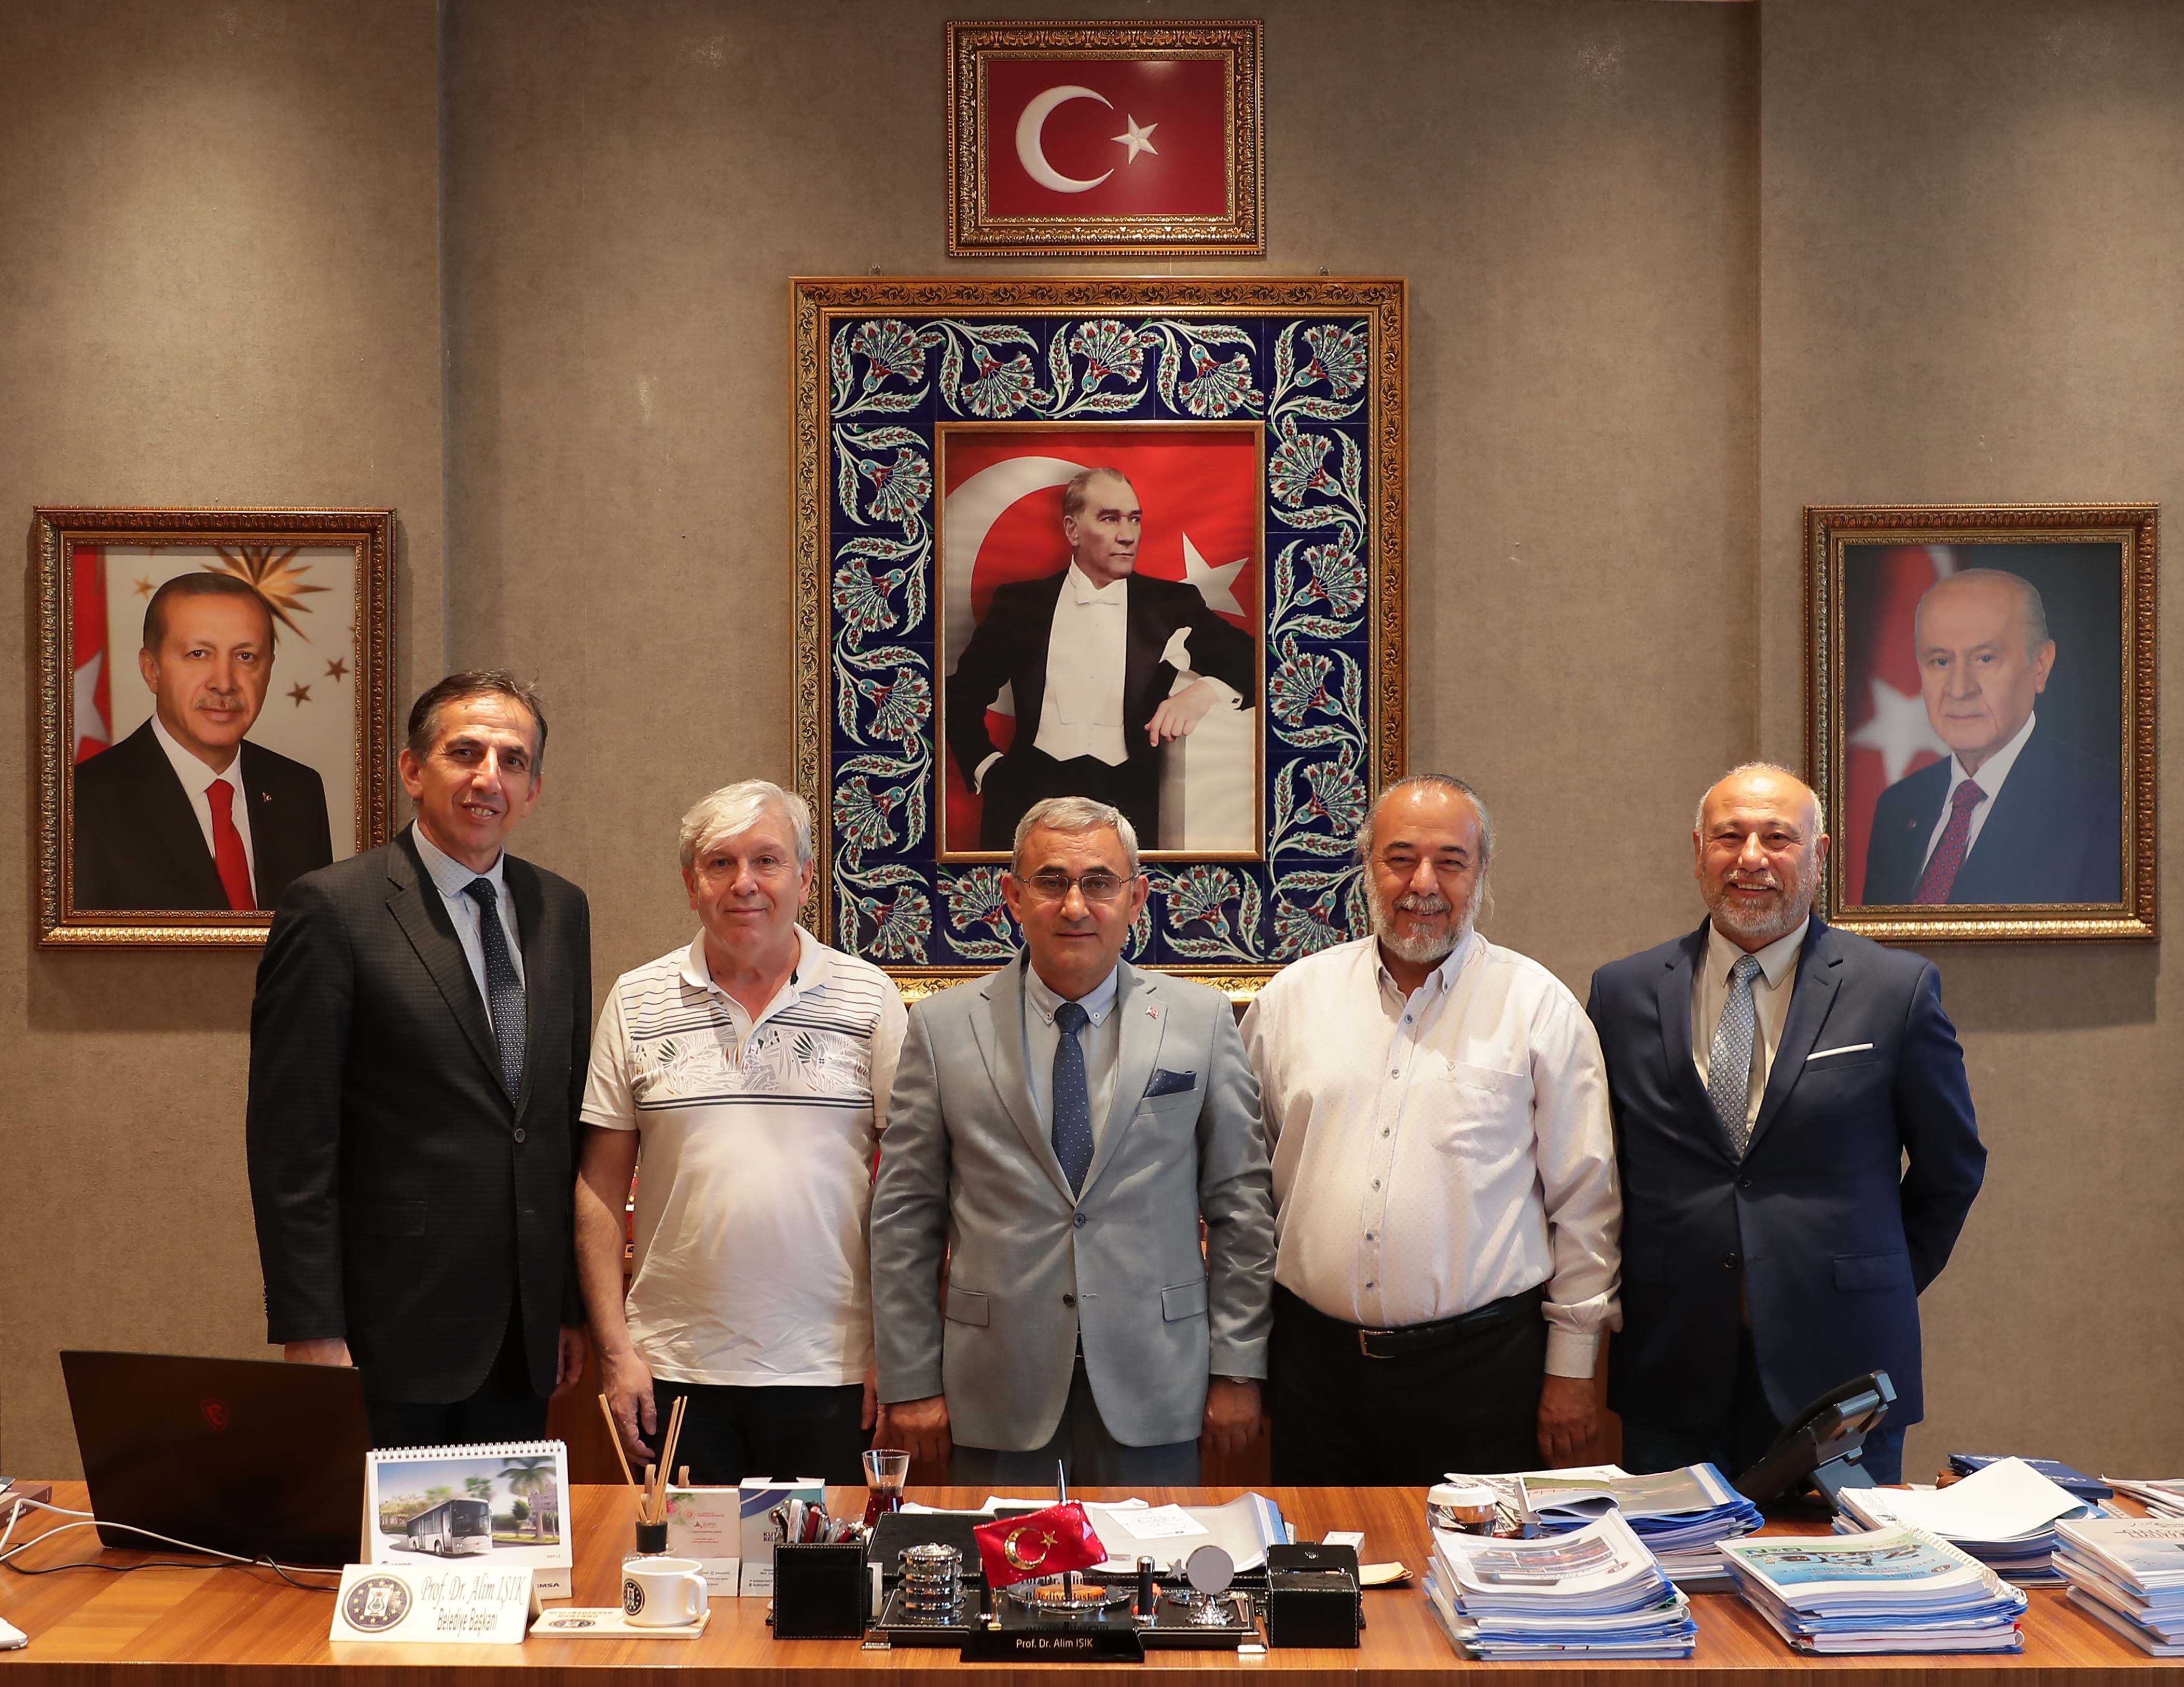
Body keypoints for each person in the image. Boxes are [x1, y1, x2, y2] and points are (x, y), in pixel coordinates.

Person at [1588, 763, 1986, 1484]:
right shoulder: (1621, 993)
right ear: (1698, 852)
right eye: (1728, 837)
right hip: (1671, 1367)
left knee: (1847, 1559)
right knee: (1678, 1557)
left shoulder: (1894, 990)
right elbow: (1597, 1170)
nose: (1750, 858)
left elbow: (1950, 1169)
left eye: (1777, 838)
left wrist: (1873, 1282)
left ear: (1818, 855)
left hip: (1841, 1372)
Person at [870, 795, 1274, 1482]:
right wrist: (909, 1381)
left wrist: (1237, 1369)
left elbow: (1242, 1207)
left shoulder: (1201, 1022)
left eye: (1099, 883)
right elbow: (905, 1220)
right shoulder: (941, 1029)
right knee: (1002, 1557)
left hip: (1160, 1381)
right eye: (1051, 881)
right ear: (1013, 896)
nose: (1075, 906)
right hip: (994, 1387)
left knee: (1152, 1554)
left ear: (1136, 897)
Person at [1240, 775, 1620, 1483]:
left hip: (1484, 1374)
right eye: (1400, 859)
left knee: (1476, 1554)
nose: (1423, 884)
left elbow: (1585, 1203)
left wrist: (1572, 1369)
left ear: (1481, 872)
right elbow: (1246, 1193)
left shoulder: (1538, 1007)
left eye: (1450, 861)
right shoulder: (1291, 1001)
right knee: (1322, 1552)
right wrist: (1242, 1361)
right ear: (1366, 866)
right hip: (1314, 1371)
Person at [247, 670, 592, 1448]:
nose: (488, 778)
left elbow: (554, 1122)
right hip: (386, 1336)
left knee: (508, 1533)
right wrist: (310, 1326)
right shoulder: (333, 908)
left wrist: (565, 1303)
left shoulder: (561, 909)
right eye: (464, 753)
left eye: (512, 761)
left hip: (524, 1337)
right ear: (412, 770)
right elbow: (290, 1143)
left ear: (533, 790)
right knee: (387, 1532)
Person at [576, 781, 906, 1485]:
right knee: (685, 1560)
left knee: (824, 1560)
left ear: (806, 880)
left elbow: (911, 1191)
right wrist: (616, 1351)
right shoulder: (635, 1001)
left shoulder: (870, 998)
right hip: (673, 1370)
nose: (744, 883)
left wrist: (897, 1350)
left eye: (767, 861)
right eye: (720, 863)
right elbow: (598, 1188)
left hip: (834, 1371)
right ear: (690, 885)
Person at [945, 467, 1256, 851]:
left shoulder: (1171, 605)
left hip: (1130, 812)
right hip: (1025, 806)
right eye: (1109, 519)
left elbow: (1260, 662)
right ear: (1072, 530)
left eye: (1134, 519)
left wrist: (1205, 692)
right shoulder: (1020, 604)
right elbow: (960, 696)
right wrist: (987, 769)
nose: (1128, 535)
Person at [72, 572, 332, 911]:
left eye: (246, 657)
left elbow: (316, 937)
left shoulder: (299, 791)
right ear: (151, 670)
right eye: (198, 654)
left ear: (269, 669)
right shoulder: (81, 802)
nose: (224, 683)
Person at [1862, 567, 2118, 904]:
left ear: (2041, 665)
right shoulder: (1898, 807)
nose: (1959, 689)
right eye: (1940, 661)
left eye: (1984, 658)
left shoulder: (2107, 808)